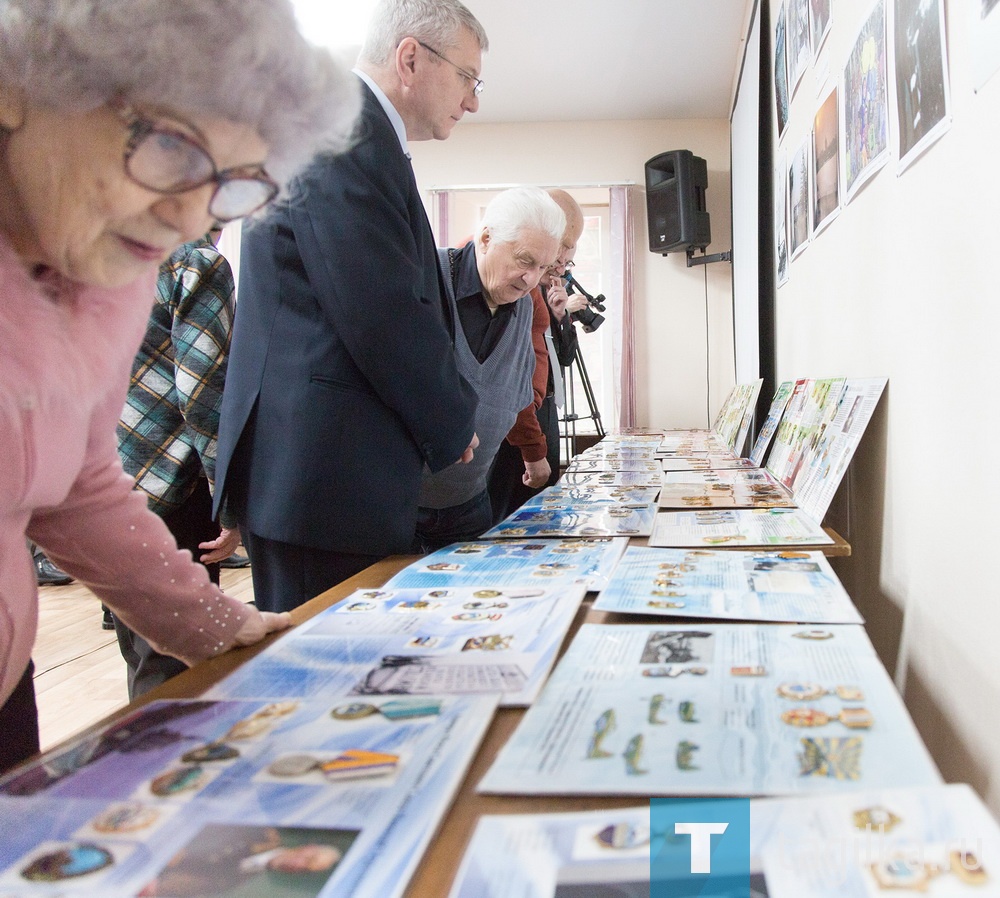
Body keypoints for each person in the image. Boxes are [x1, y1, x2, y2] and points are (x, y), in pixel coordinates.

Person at [0, 0, 361, 774]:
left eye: (232, 181)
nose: (190, 212)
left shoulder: (103, 278)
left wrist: (212, 623)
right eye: (172, 145)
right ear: (19, 82)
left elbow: (80, 486)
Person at [214, 0, 489, 613]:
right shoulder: (343, 128)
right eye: (468, 78)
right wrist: (450, 419)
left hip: (324, 473)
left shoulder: (354, 129)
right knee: (328, 687)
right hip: (322, 478)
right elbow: (379, 308)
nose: (472, 101)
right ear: (411, 57)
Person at [112, 230, 239, 699]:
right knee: (178, 667)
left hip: (105, 488)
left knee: (140, 655)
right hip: (174, 492)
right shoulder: (196, 263)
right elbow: (204, 397)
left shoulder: (110, 249)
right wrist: (230, 504)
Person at [413, 187, 564, 552]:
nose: (531, 279)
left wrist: (532, 449)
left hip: (469, 504)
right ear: (485, 239)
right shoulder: (424, 277)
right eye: (525, 260)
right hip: (400, 506)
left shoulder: (525, 304)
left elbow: (518, 392)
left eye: (543, 267)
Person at [488, 189, 589, 522]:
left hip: (545, 408)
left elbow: (563, 359)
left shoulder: (546, 289)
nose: (560, 265)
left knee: (543, 509)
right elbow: (508, 375)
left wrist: (562, 318)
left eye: (565, 260)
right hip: (517, 417)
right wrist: (531, 447)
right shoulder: (513, 286)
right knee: (512, 516)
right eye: (561, 252)